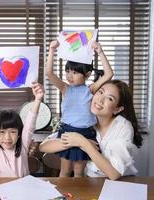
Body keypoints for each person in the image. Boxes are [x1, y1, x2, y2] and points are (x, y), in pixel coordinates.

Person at [39, 80, 143, 180]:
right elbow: (44, 146)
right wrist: (73, 141)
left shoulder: (123, 127)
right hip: (89, 184)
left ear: (117, 109)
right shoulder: (85, 120)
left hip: (120, 185)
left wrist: (82, 142)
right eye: (101, 92)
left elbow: (114, 174)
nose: (100, 100)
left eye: (110, 99)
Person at [45, 40, 114, 177]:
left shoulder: (91, 89)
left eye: (75, 72)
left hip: (85, 134)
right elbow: (49, 73)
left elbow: (108, 74)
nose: (70, 76)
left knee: (79, 172)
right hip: (67, 132)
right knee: (64, 171)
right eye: (68, 71)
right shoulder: (65, 88)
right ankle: (61, 197)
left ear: (87, 75)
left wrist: (99, 51)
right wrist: (52, 50)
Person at [0, 82, 44, 177]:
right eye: (2, 132)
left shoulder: (23, 147)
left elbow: (30, 124)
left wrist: (37, 99)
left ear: (19, 134)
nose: (7, 137)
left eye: (12, 132)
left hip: (22, 190)